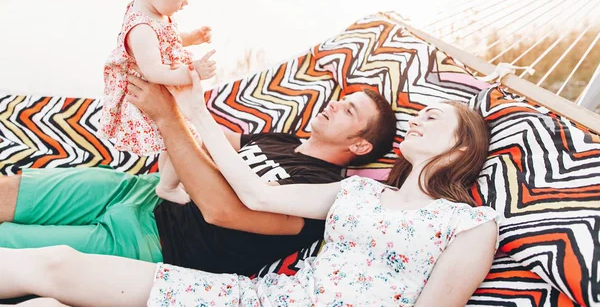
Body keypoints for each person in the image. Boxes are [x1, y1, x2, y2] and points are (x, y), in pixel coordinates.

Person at [0, 67, 498, 307]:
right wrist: (191, 109)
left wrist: (182, 118)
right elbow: (256, 194)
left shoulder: (470, 223)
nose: (420, 118)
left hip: (179, 250)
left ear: (459, 150)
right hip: (256, 297)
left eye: (434, 118)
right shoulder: (356, 194)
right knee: (54, 280)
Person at [0, 75, 396, 278]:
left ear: (360, 146)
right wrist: (180, 95)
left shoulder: (323, 194)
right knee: (10, 189)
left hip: (154, 242)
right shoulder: (285, 141)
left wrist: (167, 117)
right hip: (138, 190)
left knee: (11, 246)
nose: (334, 105)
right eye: (342, 100)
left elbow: (223, 212)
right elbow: (217, 138)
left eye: (349, 112)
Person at [98, 0, 216, 205]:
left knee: (175, 140)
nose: (184, 3)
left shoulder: (154, 15)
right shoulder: (140, 28)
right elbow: (154, 71)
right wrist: (193, 71)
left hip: (162, 92)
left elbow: (166, 40)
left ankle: (168, 179)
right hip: (151, 97)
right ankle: (167, 185)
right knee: (188, 139)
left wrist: (190, 37)